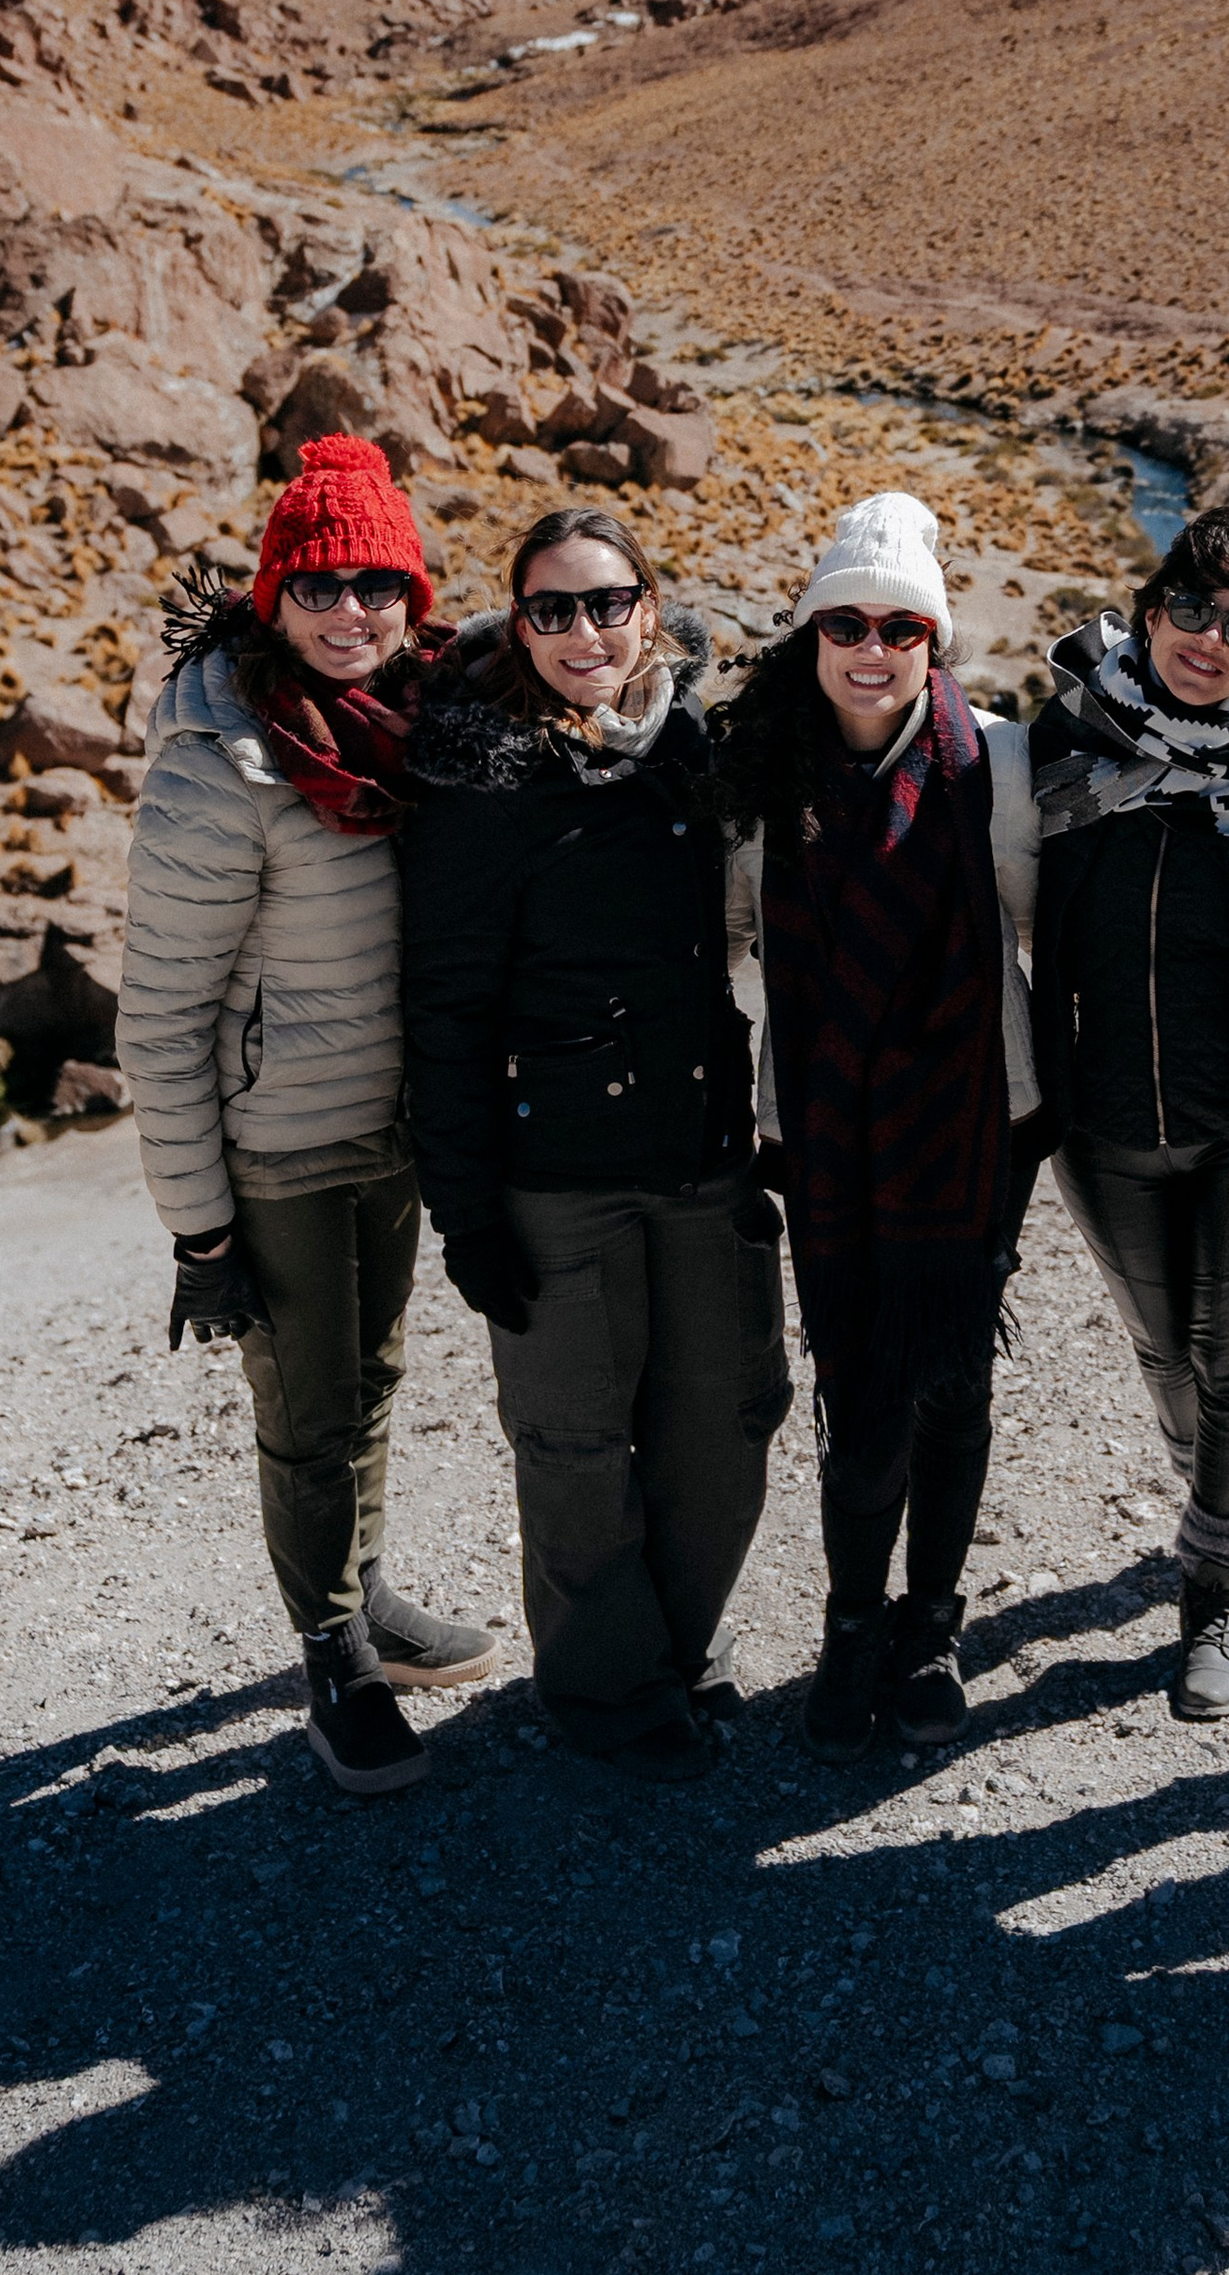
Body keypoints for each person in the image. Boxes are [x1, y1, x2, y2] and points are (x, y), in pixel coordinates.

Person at [117, 434, 494, 1800]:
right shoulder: (224, 758)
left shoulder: (422, 726)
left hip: (392, 1128)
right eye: (323, 586)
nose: (353, 614)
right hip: (277, 1149)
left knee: (375, 1382)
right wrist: (200, 1231)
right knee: (308, 1410)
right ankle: (332, 1657)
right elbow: (159, 1015)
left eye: (379, 585)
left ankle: (366, 1597)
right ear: (274, 594)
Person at [398, 507, 785, 1781]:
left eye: (608, 603)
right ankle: (608, 1692)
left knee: (720, 1423)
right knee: (573, 1447)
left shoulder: (688, 743)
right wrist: (464, 1212)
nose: (584, 632)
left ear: (650, 609)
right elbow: (444, 1009)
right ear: (518, 621)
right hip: (554, 1171)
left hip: (698, 1150)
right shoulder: (479, 778)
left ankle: (681, 1641)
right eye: (553, 608)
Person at [712, 492, 1039, 1763]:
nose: (871, 646)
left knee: (954, 1382)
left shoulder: (993, 765)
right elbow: (727, 935)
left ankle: (933, 1625)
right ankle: (854, 1626)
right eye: (844, 620)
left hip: (971, 1130)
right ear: (810, 633)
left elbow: (1031, 925)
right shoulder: (765, 779)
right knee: (859, 1400)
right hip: (829, 1137)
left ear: (932, 639)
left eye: (900, 625)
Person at [1026, 501, 1229, 1717]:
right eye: (1193, 609)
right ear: (1152, 607)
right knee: (1168, 1353)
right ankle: (1207, 1480)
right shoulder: (1060, 740)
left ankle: (1215, 1589)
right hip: (1101, 1125)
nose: (1210, 641)